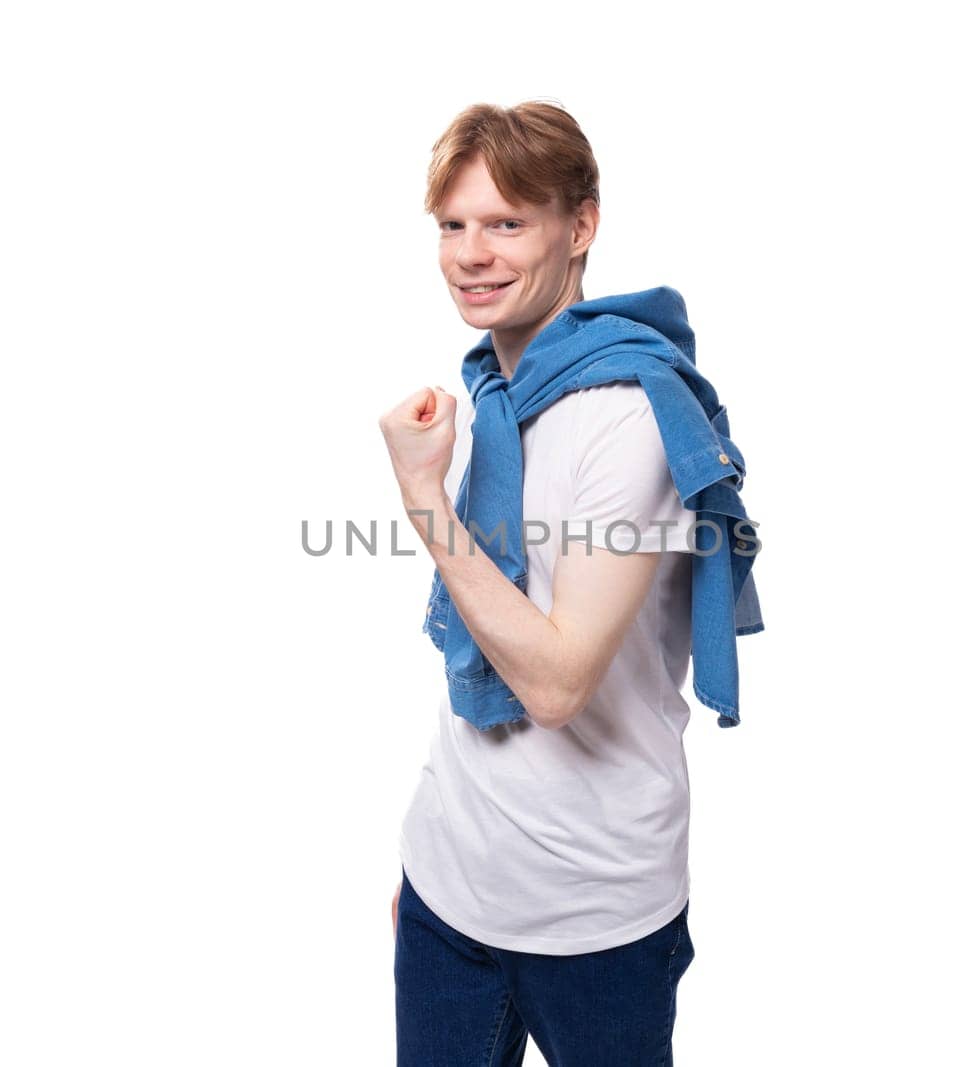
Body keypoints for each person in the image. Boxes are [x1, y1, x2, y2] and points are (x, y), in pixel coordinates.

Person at [379, 101, 756, 1065]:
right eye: (453, 226)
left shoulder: (627, 414)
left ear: (580, 226)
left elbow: (553, 681)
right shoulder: (502, 394)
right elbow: (486, 635)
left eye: (507, 223)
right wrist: (431, 864)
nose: (472, 253)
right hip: (449, 899)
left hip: (595, 919)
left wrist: (426, 499)